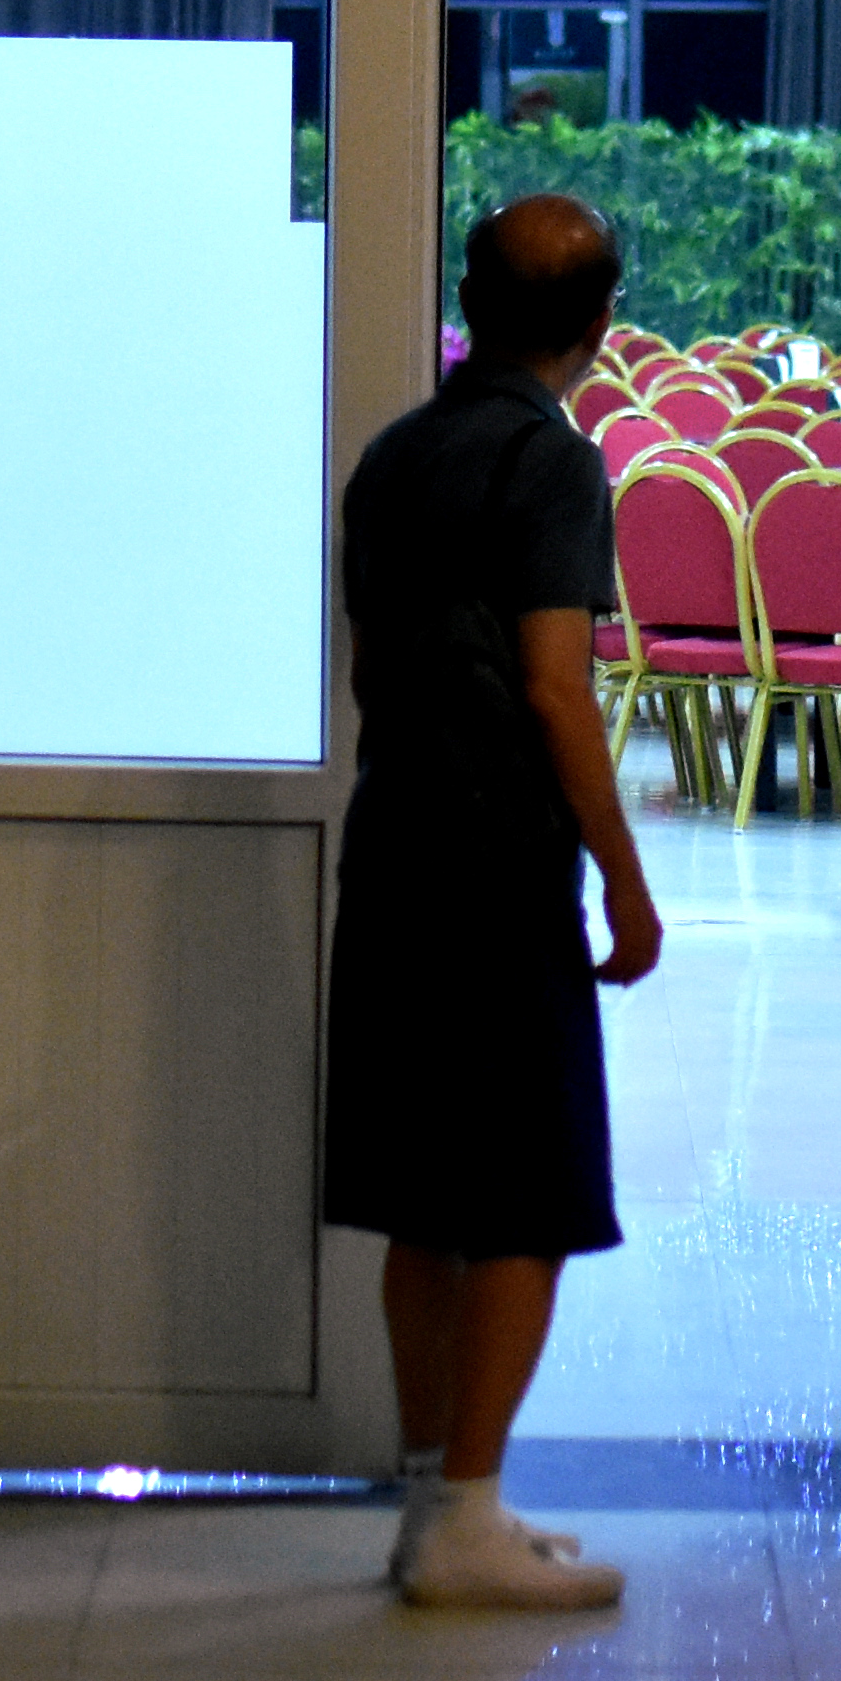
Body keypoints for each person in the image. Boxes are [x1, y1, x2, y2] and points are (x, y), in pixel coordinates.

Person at [322, 190, 671, 1607]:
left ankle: (434, 1501)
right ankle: (468, 1514)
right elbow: (553, 690)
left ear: (470, 301)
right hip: (493, 865)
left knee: (424, 1199)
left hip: (394, 843)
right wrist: (627, 885)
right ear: (600, 323)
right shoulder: (552, 463)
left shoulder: (395, 456)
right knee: (524, 1196)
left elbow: (379, 668)